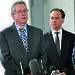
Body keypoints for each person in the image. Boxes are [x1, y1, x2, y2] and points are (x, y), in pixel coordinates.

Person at [0, 1, 47, 75]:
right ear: (13, 15)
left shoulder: (38, 32)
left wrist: (36, 71)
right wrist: (22, 73)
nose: (23, 13)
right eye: (19, 11)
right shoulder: (4, 34)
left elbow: (44, 55)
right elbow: (5, 59)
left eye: (25, 11)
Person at [43, 8, 75, 75]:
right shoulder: (42, 38)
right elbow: (43, 59)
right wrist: (53, 71)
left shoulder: (72, 37)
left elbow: (72, 59)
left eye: (57, 18)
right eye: (52, 18)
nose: (54, 20)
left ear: (63, 20)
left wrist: (65, 72)